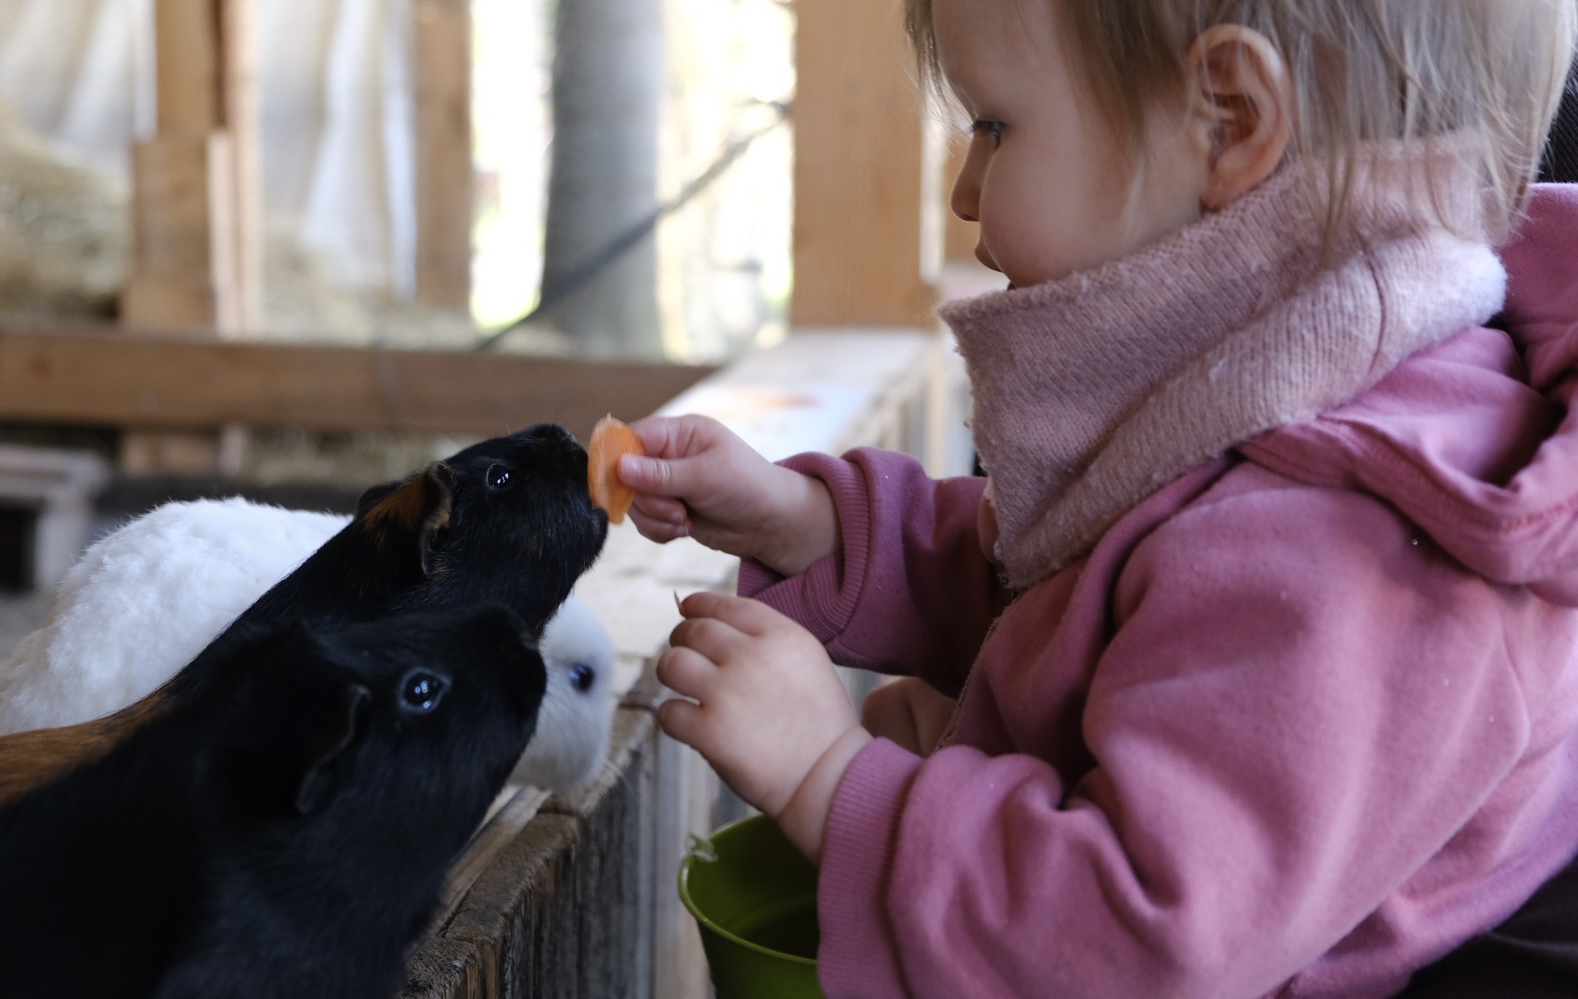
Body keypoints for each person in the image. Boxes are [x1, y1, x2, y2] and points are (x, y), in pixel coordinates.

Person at [617, 1, 1578, 996]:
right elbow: (1087, 593)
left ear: (1229, 122)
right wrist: (812, 527)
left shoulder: (1346, 540)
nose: (965, 191)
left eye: (995, 127)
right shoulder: (1274, 398)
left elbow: (1137, 942)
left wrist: (831, 777)